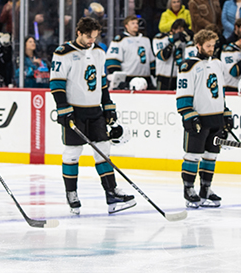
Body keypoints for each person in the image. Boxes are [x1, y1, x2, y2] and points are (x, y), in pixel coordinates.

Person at [51, 17, 136, 215]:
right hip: (75, 111)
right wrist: (63, 109)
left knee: (104, 150)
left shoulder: (98, 51)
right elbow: (56, 83)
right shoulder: (63, 53)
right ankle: (71, 193)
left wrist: (108, 107)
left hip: (95, 110)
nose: (92, 40)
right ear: (78, 33)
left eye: (95, 37)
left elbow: (102, 81)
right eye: (88, 37)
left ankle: (111, 192)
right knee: (72, 153)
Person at [176, 28, 231, 208]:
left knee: (211, 156)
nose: (211, 48)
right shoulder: (189, 65)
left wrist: (226, 112)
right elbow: (183, 92)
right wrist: (187, 114)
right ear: (198, 45)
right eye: (208, 46)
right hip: (198, 119)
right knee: (193, 155)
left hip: (216, 119)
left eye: (213, 45)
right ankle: (188, 189)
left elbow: (221, 91)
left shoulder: (217, 63)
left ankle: (205, 189)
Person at [105, 16, 156, 89]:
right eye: (133, 23)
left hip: (145, 79)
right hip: (128, 79)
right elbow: (112, 59)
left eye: (137, 23)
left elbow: (151, 60)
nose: (136, 25)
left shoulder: (146, 39)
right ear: (126, 26)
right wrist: (119, 79)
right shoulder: (120, 40)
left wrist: (153, 75)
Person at [154, 17, 190, 91]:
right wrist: (171, 42)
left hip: (179, 77)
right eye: (179, 30)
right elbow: (162, 56)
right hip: (163, 76)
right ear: (173, 29)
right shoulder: (160, 38)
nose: (181, 33)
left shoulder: (184, 42)